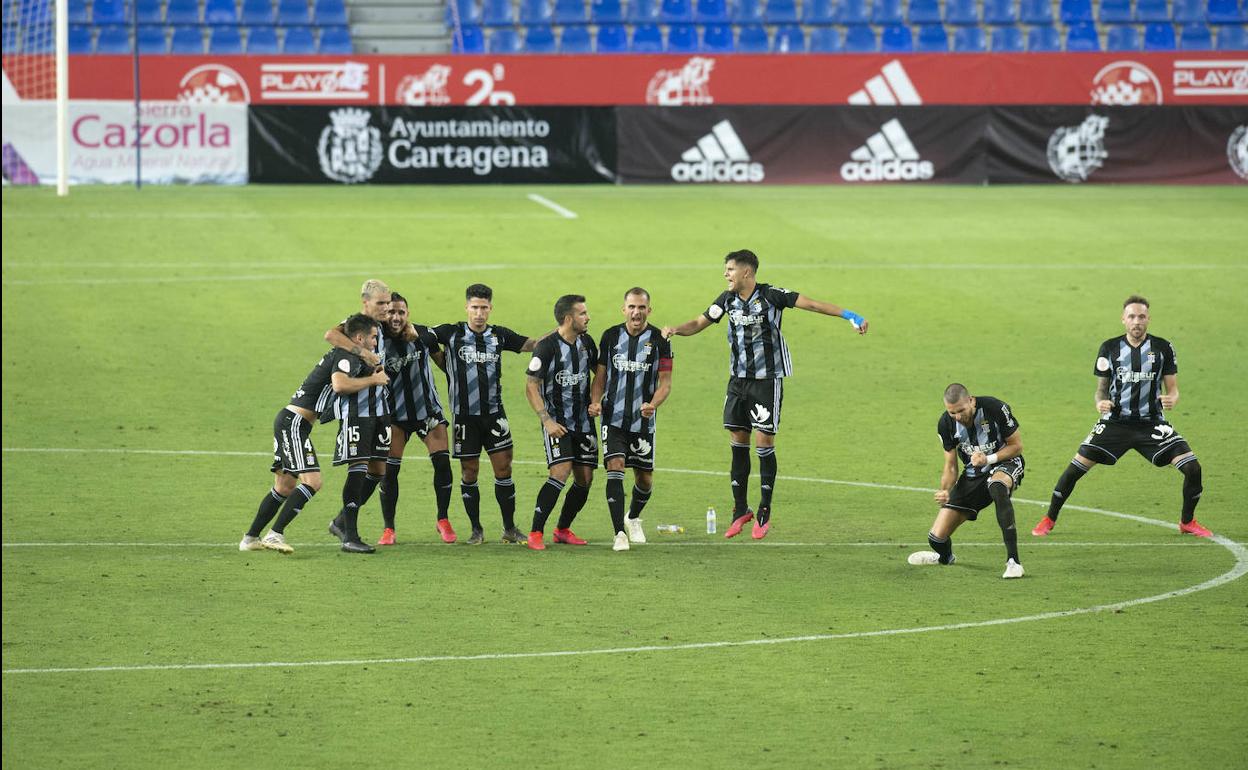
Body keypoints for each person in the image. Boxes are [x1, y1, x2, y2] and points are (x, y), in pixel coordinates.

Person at [661, 249, 868, 540]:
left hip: (766, 381)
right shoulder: (727, 299)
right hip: (737, 381)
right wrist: (675, 329)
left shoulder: (771, 296)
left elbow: (812, 304)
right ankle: (740, 510)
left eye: (730, 269)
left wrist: (850, 315)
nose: (726, 274)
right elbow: (699, 322)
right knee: (737, 441)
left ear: (746, 272)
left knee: (763, 442)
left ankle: (764, 511)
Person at [1032, 295, 1211, 538]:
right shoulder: (1109, 348)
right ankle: (1049, 519)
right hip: (1115, 423)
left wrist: (1173, 398)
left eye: (1141, 316)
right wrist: (1100, 403)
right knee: (1075, 468)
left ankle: (1187, 522)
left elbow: (1173, 389)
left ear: (1148, 319)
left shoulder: (1163, 348)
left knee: (1193, 467)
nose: (1137, 321)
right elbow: (1101, 390)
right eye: (1132, 316)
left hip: (1152, 423)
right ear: (1123, 319)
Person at [433, 284, 540, 545]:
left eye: (484, 308)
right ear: (466, 307)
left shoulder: (499, 335)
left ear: (490, 308)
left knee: (504, 469)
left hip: (494, 415)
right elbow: (420, 335)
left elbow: (532, 344)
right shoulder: (451, 333)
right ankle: (476, 529)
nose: (479, 313)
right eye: (474, 307)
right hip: (464, 417)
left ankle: (509, 528)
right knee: (469, 472)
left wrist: (562, 332)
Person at [908, 384, 1026, 579]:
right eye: (952, 412)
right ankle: (944, 558)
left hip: (1006, 462)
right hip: (973, 475)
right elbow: (951, 465)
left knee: (997, 486)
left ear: (971, 400)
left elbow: (1017, 446)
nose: (957, 416)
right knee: (936, 539)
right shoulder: (946, 423)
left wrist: (988, 459)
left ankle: (1013, 562)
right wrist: (945, 490)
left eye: (961, 410)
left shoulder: (995, 408)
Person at [589, 287, 674, 546]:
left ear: (649, 310)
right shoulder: (610, 336)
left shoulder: (660, 340)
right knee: (615, 467)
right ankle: (619, 533)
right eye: (632, 307)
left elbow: (665, 382)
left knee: (644, 479)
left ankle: (633, 517)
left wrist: (653, 404)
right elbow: (600, 376)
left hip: (643, 420)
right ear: (623, 309)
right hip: (613, 417)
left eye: (641, 307)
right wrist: (595, 401)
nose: (636, 312)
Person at [238, 345, 341, 554]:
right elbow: (342, 386)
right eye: (372, 337)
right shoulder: (345, 357)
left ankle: (250, 539)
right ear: (359, 337)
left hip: (290, 421)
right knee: (313, 482)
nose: (374, 342)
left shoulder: (341, 355)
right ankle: (275, 534)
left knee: (284, 486)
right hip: (294, 424)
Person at [376, 292, 454, 546]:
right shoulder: (377, 340)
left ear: (408, 314)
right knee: (390, 471)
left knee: (442, 463)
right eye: (391, 312)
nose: (396, 317)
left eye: (401, 312)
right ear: (384, 314)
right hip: (395, 415)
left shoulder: (422, 334)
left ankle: (443, 519)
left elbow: (443, 363)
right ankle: (389, 528)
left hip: (427, 411)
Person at [324, 279, 399, 544]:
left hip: (380, 409)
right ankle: (350, 535)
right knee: (357, 469)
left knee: (378, 470)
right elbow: (330, 335)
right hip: (357, 410)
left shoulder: (380, 327)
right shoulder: (354, 326)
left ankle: (340, 522)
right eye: (381, 303)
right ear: (365, 302)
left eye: (388, 302)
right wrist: (363, 354)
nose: (386, 307)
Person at [525, 295, 602, 550]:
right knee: (560, 471)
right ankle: (536, 532)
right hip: (557, 423)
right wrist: (546, 420)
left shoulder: (586, 342)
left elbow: (600, 373)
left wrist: (596, 400)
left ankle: (562, 529)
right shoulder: (546, 347)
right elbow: (531, 386)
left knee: (585, 478)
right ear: (569, 318)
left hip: (584, 422)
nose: (588, 317)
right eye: (583, 313)